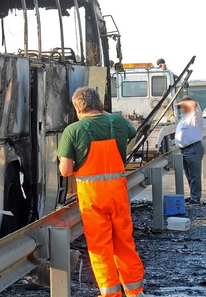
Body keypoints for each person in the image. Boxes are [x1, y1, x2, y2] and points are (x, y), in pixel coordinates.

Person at [57, 87, 145, 297]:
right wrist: (106, 114)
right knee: (124, 242)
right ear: (102, 105)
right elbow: (133, 132)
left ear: (78, 107)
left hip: (93, 199)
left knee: (100, 248)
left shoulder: (74, 130)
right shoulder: (119, 122)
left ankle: (111, 294)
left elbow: (66, 170)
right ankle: (135, 292)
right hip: (118, 194)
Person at [175, 96, 204, 205]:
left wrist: (182, 102)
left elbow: (194, 103)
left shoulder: (195, 115)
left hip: (193, 148)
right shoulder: (184, 118)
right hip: (185, 150)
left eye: (184, 106)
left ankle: (196, 197)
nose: (183, 108)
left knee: (194, 174)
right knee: (189, 175)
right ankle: (193, 194)